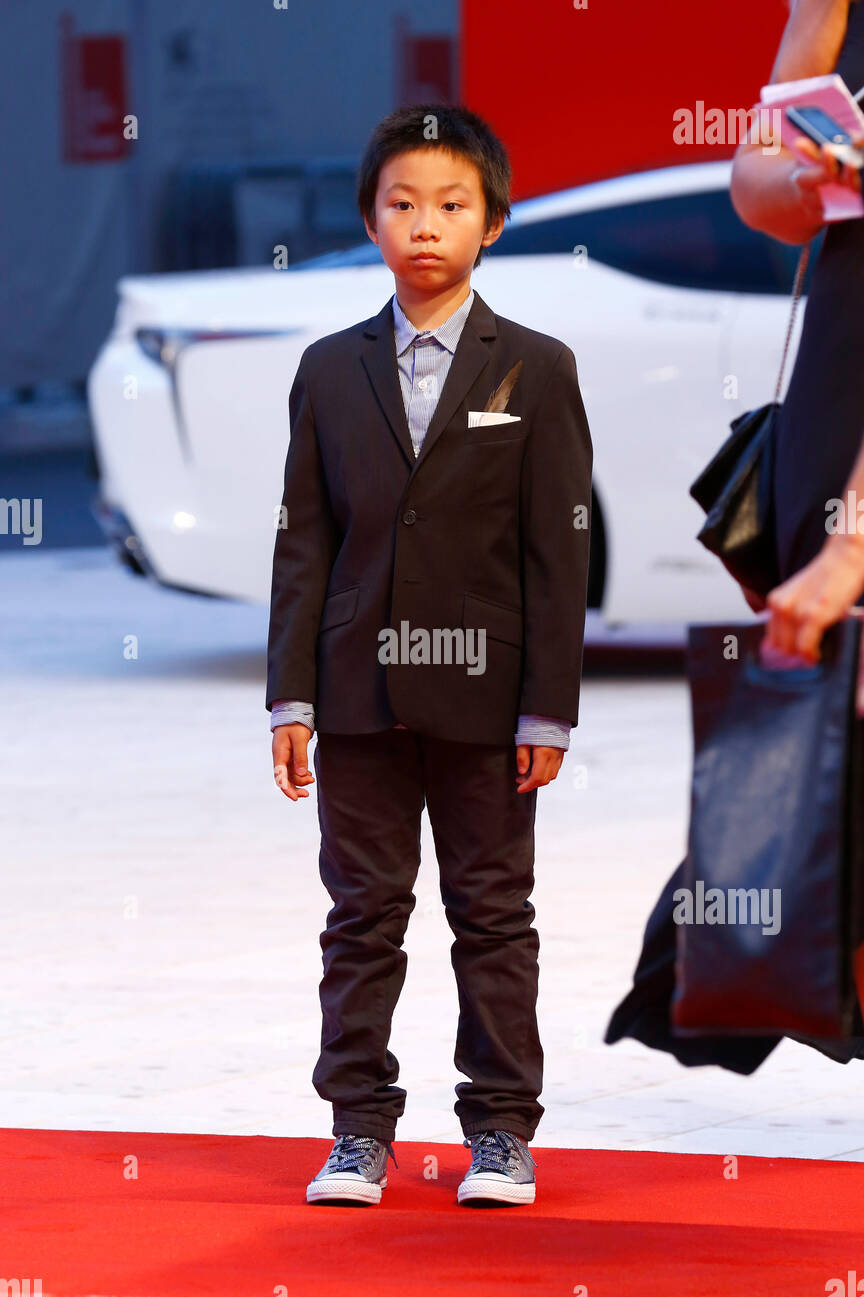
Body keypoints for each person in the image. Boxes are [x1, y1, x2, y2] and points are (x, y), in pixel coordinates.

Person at [266, 104, 593, 1205]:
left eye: (452, 205)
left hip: (490, 698)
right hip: (356, 693)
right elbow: (303, 540)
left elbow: (559, 552)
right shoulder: (325, 369)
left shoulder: (539, 370)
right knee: (362, 913)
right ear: (369, 219)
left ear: (493, 222)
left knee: (493, 915)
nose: (425, 225)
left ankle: (500, 1130)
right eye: (401, 203)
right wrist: (290, 696)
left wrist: (548, 710)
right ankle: (357, 1128)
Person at [606, 0, 864, 1071]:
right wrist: (815, 176)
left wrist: (851, 549)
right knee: (836, 796)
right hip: (835, 414)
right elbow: (759, 187)